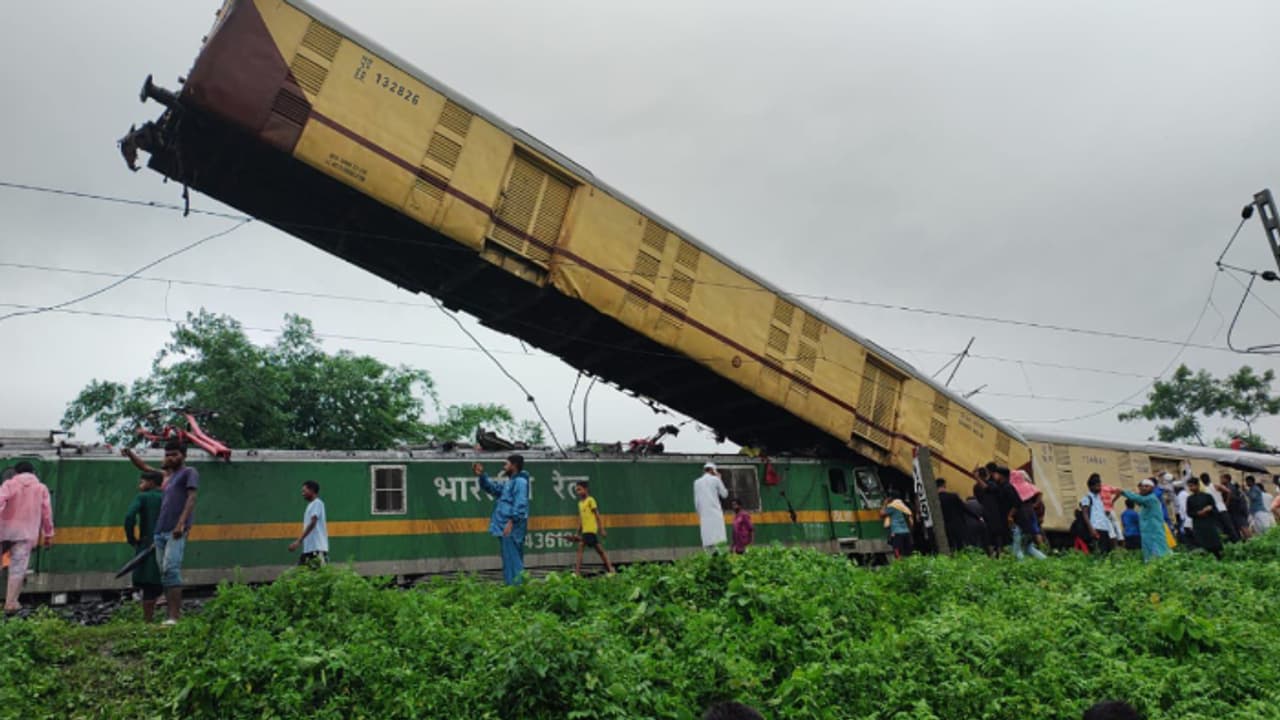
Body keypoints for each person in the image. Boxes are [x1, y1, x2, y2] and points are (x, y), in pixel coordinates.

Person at [154, 441, 199, 624]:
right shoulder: (169, 477)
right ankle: (169, 617)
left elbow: (191, 498)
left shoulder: (189, 472)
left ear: (184, 455)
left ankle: (174, 617)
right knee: (164, 573)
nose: (170, 458)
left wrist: (181, 523)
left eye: (174, 454)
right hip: (160, 530)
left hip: (176, 530)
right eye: (167, 455)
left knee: (171, 569)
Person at [0, 461, 54, 614]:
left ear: (16, 473)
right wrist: (48, 534)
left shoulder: (9, 484)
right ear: (33, 472)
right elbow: (47, 514)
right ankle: (11, 603)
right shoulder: (41, 488)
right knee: (17, 569)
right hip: (25, 533)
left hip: (3, 530)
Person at [473, 455, 531, 586]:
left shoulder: (520, 482)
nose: (504, 467)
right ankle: (512, 588)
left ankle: (517, 589)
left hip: (511, 527)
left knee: (513, 560)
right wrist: (482, 475)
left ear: (514, 466)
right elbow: (493, 488)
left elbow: (520, 503)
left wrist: (511, 521)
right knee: (509, 559)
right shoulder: (510, 483)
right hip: (505, 526)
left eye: (506, 464)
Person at [124, 470, 164, 621]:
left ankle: (148, 620)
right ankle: (170, 617)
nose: (139, 485)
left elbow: (129, 517)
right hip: (166, 544)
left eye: (142, 482)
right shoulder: (167, 496)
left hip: (147, 544)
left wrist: (132, 538)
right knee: (163, 580)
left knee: (148, 585)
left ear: (151, 483)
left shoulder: (143, 497)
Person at [1119, 479, 1171, 562]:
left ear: (1152, 488)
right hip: (1147, 532)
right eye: (1142, 486)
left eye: (1146, 486)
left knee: (1159, 551)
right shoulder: (1144, 504)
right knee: (1149, 551)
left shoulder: (1151, 499)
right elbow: (1139, 500)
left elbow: (1139, 499)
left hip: (1154, 530)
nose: (1143, 488)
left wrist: (1123, 492)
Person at [572, 481, 614, 575]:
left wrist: (601, 529)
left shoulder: (591, 500)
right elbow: (581, 519)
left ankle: (610, 569)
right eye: (577, 490)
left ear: (586, 489)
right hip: (585, 531)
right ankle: (611, 569)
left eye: (579, 489)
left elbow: (597, 515)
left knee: (597, 550)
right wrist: (577, 533)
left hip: (591, 530)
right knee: (588, 549)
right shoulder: (580, 504)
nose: (578, 492)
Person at [1008, 469, 1047, 560]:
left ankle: (1021, 564)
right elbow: (1040, 493)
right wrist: (1035, 504)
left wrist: (1010, 515)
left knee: (1017, 547)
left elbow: (1016, 504)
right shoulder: (1028, 485)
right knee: (1028, 547)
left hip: (1021, 517)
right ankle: (1044, 560)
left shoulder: (1014, 488)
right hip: (1030, 515)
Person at [288, 481, 328, 568]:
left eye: (304, 491)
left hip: (317, 549)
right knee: (299, 574)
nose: (302, 494)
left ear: (312, 490)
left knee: (320, 574)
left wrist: (298, 541)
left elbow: (313, 523)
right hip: (308, 550)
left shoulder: (317, 503)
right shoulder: (311, 505)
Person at [1185, 476, 1223, 559]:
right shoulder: (1189, 499)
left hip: (1209, 522)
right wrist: (1198, 513)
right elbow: (1189, 513)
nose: (1190, 488)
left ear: (1197, 485)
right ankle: (1206, 559)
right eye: (1189, 486)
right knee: (1202, 543)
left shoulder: (1207, 496)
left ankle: (1218, 558)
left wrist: (1209, 509)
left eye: (1192, 486)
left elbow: (1215, 510)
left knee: (1213, 542)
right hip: (1198, 524)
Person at [693, 462, 729, 550]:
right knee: (719, 539)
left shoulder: (697, 482)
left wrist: (700, 513)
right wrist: (720, 479)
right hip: (715, 513)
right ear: (713, 470)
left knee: (707, 539)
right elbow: (724, 494)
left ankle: (709, 555)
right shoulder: (715, 479)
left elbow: (696, 502)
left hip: (704, 515)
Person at [1080, 474, 1117, 554]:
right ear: (1091, 487)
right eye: (1097, 486)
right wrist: (1091, 529)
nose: (1099, 488)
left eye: (1100, 486)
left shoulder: (1100, 499)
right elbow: (1085, 514)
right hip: (1095, 528)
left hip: (1104, 528)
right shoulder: (1087, 498)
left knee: (1105, 552)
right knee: (1098, 552)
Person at [880, 490, 914, 559]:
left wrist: (884, 504)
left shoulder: (892, 506)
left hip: (897, 533)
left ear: (891, 498)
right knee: (907, 554)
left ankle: (900, 565)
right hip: (906, 532)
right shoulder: (904, 506)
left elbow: (881, 514)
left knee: (898, 554)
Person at [936, 478, 967, 550]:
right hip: (958, 524)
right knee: (960, 545)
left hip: (945, 526)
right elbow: (963, 508)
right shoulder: (953, 496)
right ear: (944, 485)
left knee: (950, 546)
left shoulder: (936, 499)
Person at [1224, 473, 1252, 540]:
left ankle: (1250, 540)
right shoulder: (1232, 487)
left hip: (1237, 510)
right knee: (1241, 526)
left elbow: (1232, 497)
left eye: (1222, 478)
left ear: (1227, 479)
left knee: (1243, 526)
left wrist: (1226, 503)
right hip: (1239, 510)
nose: (1220, 480)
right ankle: (1248, 539)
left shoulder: (1230, 487)